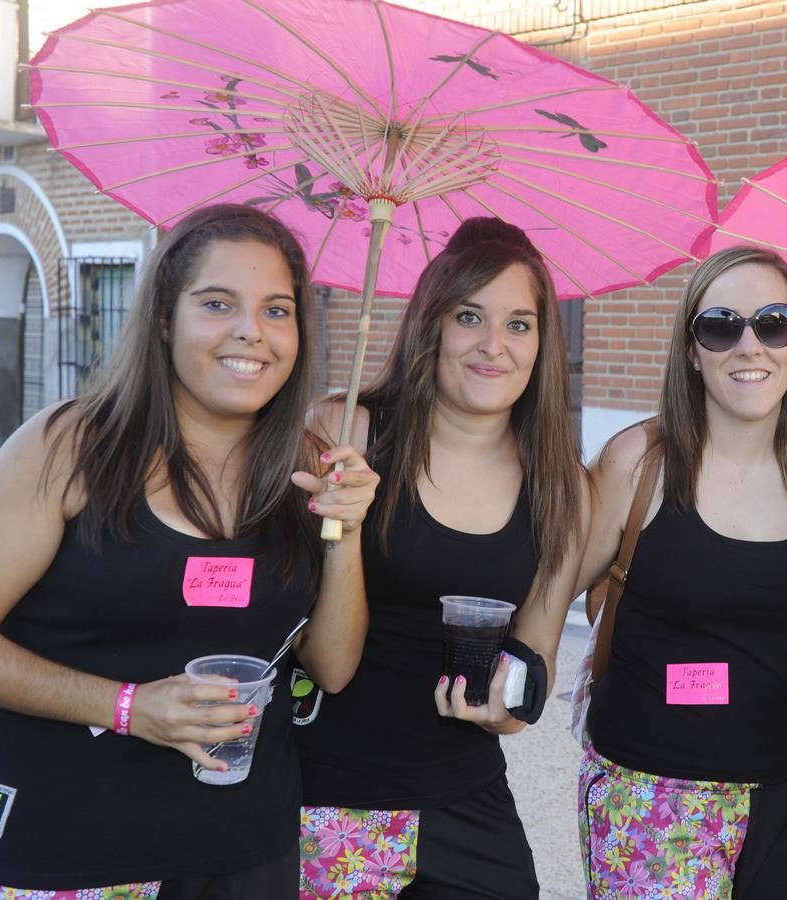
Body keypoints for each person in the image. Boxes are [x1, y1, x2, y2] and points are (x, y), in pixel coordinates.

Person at [0, 204, 376, 897]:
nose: (251, 332)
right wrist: (126, 706)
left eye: (276, 310)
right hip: (57, 848)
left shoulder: (308, 470)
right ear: (165, 319)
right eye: (217, 303)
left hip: (240, 854)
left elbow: (330, 667)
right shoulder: (71, 447)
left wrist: (346, 534)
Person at [293, 217, 587, 899]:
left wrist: (507, 710)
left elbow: (534, 659)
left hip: (467, 797)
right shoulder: (346, 432)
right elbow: (307, 647)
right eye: (469, 316)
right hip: (334, 791)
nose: (494, 346)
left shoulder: (560, 483)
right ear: (431, 324)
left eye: (520, 324)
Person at [576, 245, 787, 900]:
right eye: (719, 325)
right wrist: (512, 671)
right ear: (690, 348)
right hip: (649, 791)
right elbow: (549, 587)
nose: (748, 346)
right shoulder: (637, 460)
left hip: (784, 788)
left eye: (771, 323)